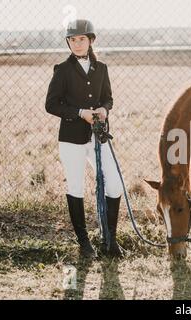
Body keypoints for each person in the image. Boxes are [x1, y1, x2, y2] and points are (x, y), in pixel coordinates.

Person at [45, 19, 123, 258]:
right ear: (68, 42)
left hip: (98, 137)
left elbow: (108, 98)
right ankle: (84, 242)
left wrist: (104, 110)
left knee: (115, 184)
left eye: (81, 39)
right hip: (71, 138)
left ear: (90, 40)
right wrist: (80, 113)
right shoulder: (63, 70)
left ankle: (110, 239)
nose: (77, 44)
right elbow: (51, 104)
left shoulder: (102, 69)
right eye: (72, 40)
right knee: (76, 186)